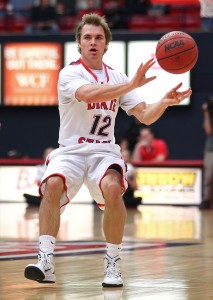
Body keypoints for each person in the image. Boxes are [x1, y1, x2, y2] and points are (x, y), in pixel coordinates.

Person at [24, 13, 192, 287]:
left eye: (98, 37)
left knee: (114, 188)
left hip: (104, 151)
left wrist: (164, 101)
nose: (92, 42)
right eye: (87, 37)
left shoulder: (118, 76)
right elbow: (90, 94)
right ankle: (45, 259)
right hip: (70, 151)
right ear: (79, 43)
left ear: (106, 44)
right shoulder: (70, 73)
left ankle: (112, 263)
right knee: (52, 184)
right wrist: (131, 85)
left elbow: (145, 115)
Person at [200, 97, 213, 209]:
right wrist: (207, 112)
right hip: (211, 149)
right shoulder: (209, 115)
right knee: (208, 177)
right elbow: (208, 130)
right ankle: (206, 200)